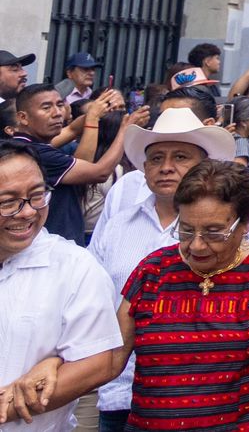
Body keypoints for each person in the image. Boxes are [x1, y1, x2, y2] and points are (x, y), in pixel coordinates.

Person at [89, 109, 249, 431]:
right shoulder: (118, 224)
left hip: (211, 405)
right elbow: (93, 297)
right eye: (155, 158)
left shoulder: (242, 233)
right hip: (115, 390)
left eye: (180, 156)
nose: (166, 167)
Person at [109, 160, 249, 431]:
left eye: (214, 233)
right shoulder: (152, 271)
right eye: (186, 231)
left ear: (245, 223)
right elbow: (110, 358)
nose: (196, 245)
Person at [0, 143, 123, 430]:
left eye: (37, 196)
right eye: (8, 202)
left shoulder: (73, 266)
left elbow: (95, 363)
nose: (27, 212)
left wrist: (8, 407)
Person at [8, 82, 143, 244]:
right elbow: (100, 172)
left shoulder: (20, 144)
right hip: (54, 246)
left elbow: (71, 130)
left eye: (60, 105)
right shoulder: (35, 153)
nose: (57, 113)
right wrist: (125, 130)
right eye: (46, 108)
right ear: (23, 117)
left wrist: (98, 111)